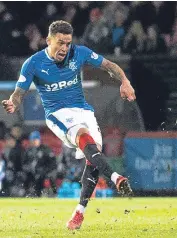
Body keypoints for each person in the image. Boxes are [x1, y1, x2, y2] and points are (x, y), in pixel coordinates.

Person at [2, 20, 136, 230]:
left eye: (67, 43)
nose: (64, 48)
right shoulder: (33, 63)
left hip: (84, 110)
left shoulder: (79, 52)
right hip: (58, 114)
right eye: (60, 43)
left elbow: (109, 65)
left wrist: (125, 81)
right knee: (85, 139)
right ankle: (115, 177)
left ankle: (79, 212)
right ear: (48, 41)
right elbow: (19, 92)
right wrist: (12, 102)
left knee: (94, 157)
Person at [23, 131, 57, 197]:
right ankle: (26, 193)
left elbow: (53, 163)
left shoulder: (46, 149)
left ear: (39, 140)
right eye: (33, 140)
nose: (34, 141)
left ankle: (54, 193)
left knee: (49, 177)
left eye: (36, 139)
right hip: (32, 173)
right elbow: (24, 163)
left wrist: (45, 170)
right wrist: (28, 168)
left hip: (44, 173)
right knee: (24, 177)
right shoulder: (28, 150)